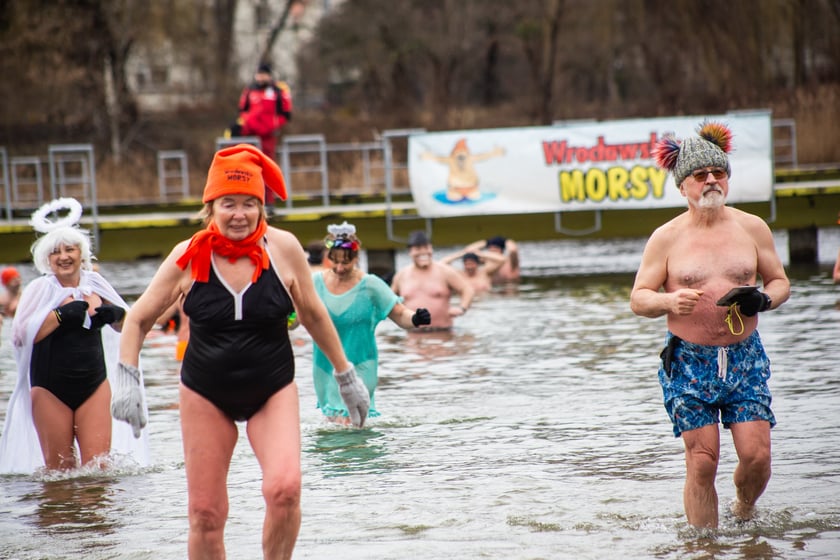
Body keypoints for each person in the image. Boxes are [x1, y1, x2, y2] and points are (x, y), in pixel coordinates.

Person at [117, 144, 368, 559]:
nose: (239, 214)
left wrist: (346, 376)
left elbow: (314, 314)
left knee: (284, 489)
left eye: (250, 203)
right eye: (228, 203)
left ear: (261, 207)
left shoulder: (283, 248)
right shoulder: (187, 255)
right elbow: (137, 319)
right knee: (205, 514)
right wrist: (128, 380)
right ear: (210, 206)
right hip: (204, 392)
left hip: (272, 388)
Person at [630, 121, 791, 529]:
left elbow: (780, 282)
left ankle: (743, 506)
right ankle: (704, 548)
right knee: (703, 461)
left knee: (758, 457)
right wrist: (668, 300)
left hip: (744, 357)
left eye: (718, 173)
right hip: (688, 361)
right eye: (700, 176)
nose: (711, 181)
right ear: (682, 186)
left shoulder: (752, 228)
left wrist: (763, 299)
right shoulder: (665, 238)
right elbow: (639, 298)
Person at [0, 198, 150, 473]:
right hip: (49, 389)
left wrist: (115, 316)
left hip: (93, 384)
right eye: (56, 252)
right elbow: (20, 336)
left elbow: (132, 326)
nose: (64, 256)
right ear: (47, 258)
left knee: (99, 470)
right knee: (60, 473)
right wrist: (58, 316)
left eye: (70, 249)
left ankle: (93, 516)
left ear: (82, 254)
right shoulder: (39, 289)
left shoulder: (96, 285)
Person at [311, 221, 430, 424]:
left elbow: (399, 314)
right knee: (334, 423)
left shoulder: (371, 285)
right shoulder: (315, 283)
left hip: (362, 363)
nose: (339, 268)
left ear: (357, 258)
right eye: (335, 262)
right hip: (326, 365)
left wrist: (416, 318)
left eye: (345, 263)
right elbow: (296, 316)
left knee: (353, 423)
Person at [232, 62, 293, 209]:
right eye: (258, 74)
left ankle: (269, 201)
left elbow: (286, 113)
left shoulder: (278, 91)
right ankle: (251, 199)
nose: (260, 77)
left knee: (268, 168)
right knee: (249, 168)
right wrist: (247, 125)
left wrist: (272, 126)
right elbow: (242, 111)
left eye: (263, 74)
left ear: (269, 75)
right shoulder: (249, 91)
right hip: (250, 136)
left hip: (268, 136)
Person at [391, 230, 474, 329]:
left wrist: (462, 308)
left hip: (443, 333)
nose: (423, 252)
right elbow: (388, 301)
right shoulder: (401, 275)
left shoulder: (445, 271)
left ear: (431, 249)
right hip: (413, 335)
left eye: (426, 247)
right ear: (410, 251)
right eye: (418, 248)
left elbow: (467, 289)